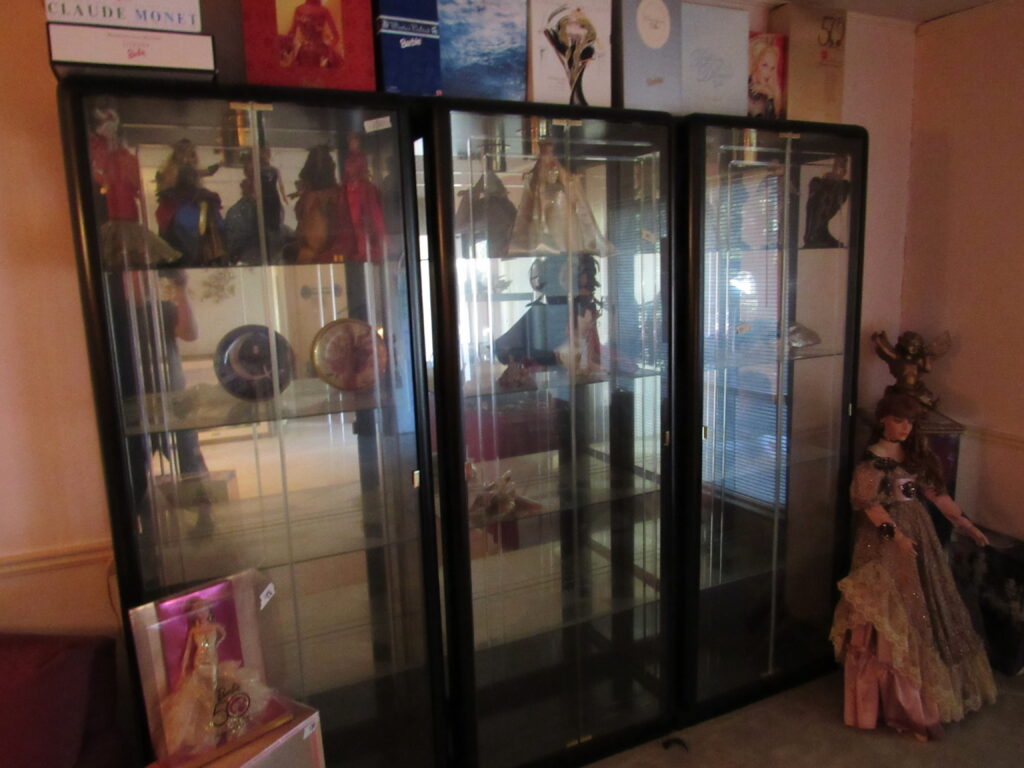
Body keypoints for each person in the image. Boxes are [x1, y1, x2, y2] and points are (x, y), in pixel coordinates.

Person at [830, 392, 997, 741]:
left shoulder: (914, 455)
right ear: (883, 420)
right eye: (899, 420)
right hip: (884, 541)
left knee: (925, 602)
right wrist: (897, 537)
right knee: (889, 606)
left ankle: (921, 694)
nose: (905, 428)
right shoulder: (870, 463)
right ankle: (887, 701)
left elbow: (938, 495)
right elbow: (870, 507)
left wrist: (965, 523)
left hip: (917, 530)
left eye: (910, 422)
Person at [281, 0, 342, 69]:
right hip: (319, 51)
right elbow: (336, 37)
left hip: (303, 51)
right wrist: (329, 50)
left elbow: (292, 33)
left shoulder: (299, 9)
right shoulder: (324, 10)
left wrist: (286, 48)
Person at [748, 36, 782, 119]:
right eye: (765, 65)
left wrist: (770, 95)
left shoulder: (770, 91)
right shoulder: (744, 85)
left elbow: (773, 122)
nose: (769, 73)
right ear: (755, 64)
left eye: (772, 68)